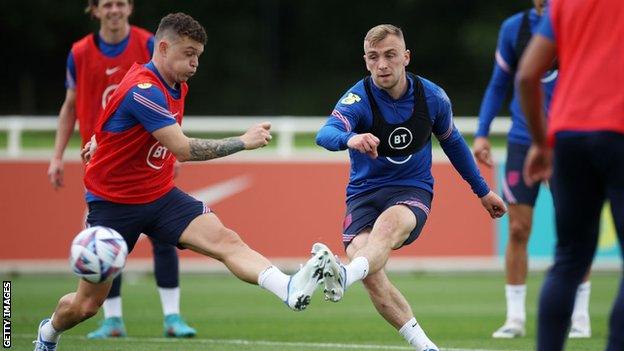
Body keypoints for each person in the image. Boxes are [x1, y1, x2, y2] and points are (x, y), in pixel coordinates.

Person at [34, 12, 331, 351]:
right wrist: (242, 141)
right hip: (113, 206)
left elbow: (113, 119)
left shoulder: (175, 85)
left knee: (226, 240)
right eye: (189, 53)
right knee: (85, 306)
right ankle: (48, 332)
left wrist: (100, 141)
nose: (195, 63)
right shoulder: (143, 89)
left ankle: (288, 288)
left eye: (198, 56)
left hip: (160, 197)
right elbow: (183, 148)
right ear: (163, 47)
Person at [316, 24, 507, 351]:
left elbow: (454, 144)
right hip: (362, 196)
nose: (382, 65)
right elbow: (326, 133)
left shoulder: (431, 97)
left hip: (410, 191)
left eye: (390, 55)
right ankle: (426, 347)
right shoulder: (358, 98)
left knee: (386, 229)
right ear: (366, 61)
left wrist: (483, 191)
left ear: (406, 57)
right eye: (373, 57)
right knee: (373, 274)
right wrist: (351, 137)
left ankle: (345, 276)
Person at [46, 0, 196, 339]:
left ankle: (172, 316)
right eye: (107, 4)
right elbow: (70, 106)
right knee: (107, 243)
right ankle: (112, 319)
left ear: (129, 8)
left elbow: (167, 95)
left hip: (148, 154)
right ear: (95, 10)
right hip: (104, 163)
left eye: (120, 3)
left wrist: (169, 151)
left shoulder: (149, 43)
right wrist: (57, 156)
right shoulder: (80, 52)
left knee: (164, 236)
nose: (114, 10)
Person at [473, 0, 591, 338]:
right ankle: (515, 318)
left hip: (567, 141)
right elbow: (499, 84)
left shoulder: (577, 23)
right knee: (518, 229)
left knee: (574, 230)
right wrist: (482, 132)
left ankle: (579, 318)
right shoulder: (515, 29)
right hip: (523, 142)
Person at [516, 0, 624, 349]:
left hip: (569, 138)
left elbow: (527, 75)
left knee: (569, 259)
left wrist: (541, 142)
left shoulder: (565, 3)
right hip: (620, 132)